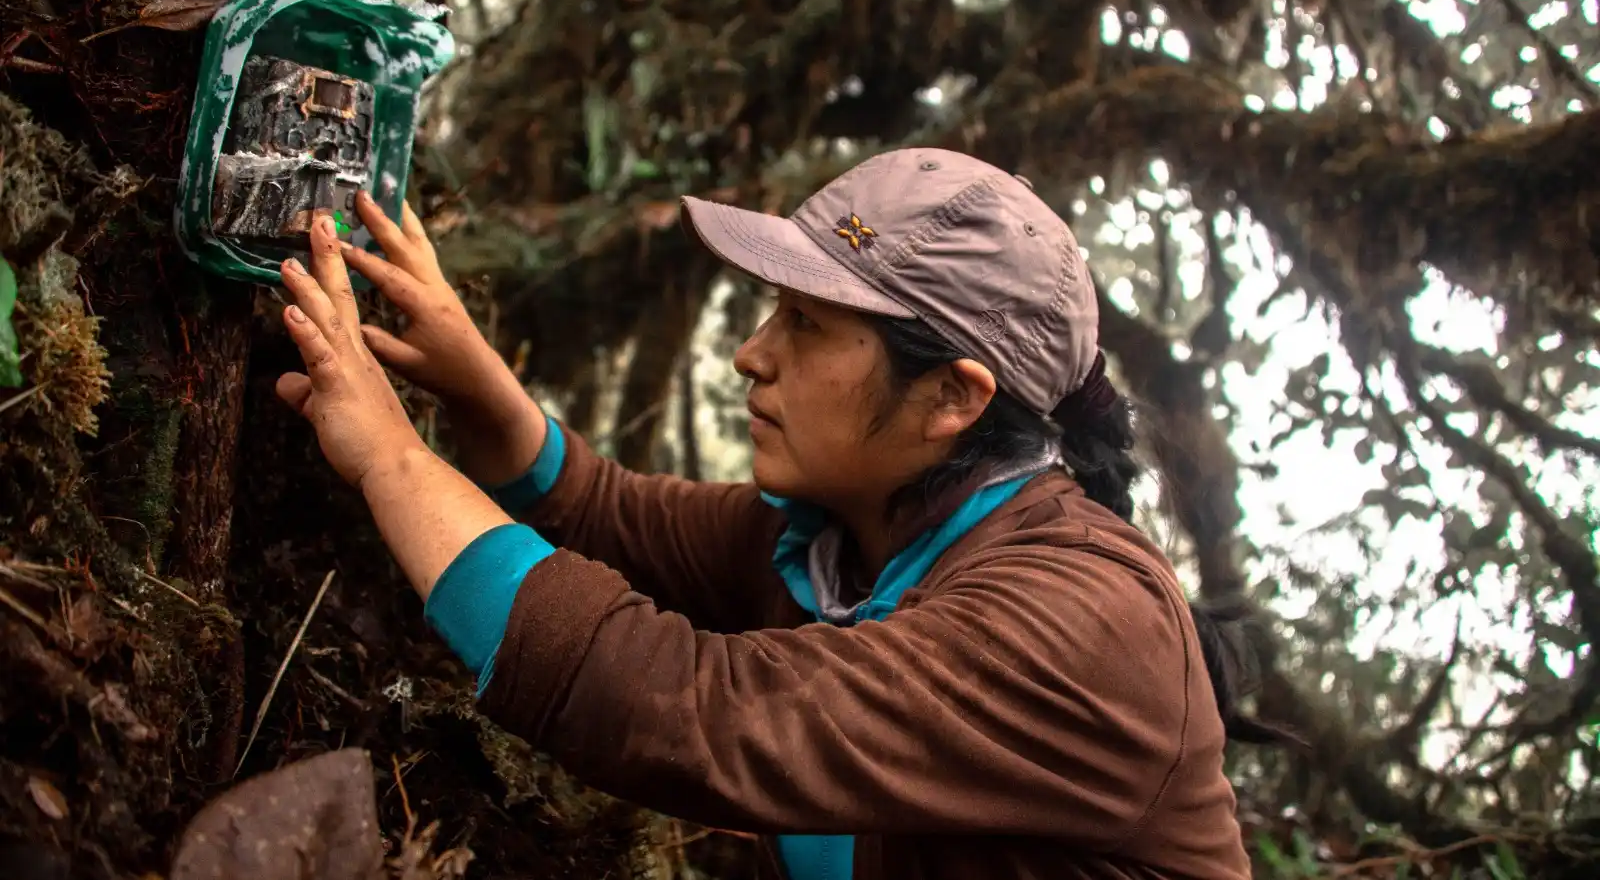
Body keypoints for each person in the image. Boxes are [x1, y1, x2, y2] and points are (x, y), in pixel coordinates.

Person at [273, 148, 1273, 880]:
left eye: (804, 322)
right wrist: (473, 380)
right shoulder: (854, 532)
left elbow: (688, 707)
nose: (753, 353)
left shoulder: (1081, 618)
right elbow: (608, 512)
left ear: (953, 398)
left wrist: (392, 458)